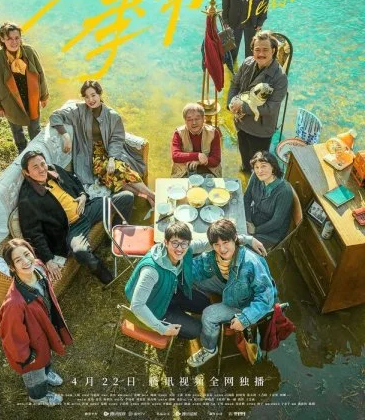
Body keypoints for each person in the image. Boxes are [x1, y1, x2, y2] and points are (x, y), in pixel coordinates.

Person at [124, 221, 267, 339]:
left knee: (204, 303)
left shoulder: (186, 249)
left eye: (184, 243)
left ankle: (178, 311)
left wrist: (248, 239)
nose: (179, 249)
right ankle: (172, 318)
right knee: (196, 330)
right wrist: (162, 329)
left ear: (189, 243)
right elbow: (137, 305)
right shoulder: (151, 271)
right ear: (165, 242)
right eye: (175, 243)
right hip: (153, 306)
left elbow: (214, 242)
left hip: (171, 292)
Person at [18, 150, 134, 285]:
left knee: (127, 197)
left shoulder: (53, 169)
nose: (42, 169)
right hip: (72, 227)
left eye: (42, 164)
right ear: (26, 172)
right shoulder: (27, 199)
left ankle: (113, 240)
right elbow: (33, 233)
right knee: (80, 252)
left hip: (87, 209)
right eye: (35, 167)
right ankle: (106, 276)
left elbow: (74, 179)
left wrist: (82, 195)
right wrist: (48, 259)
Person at [50, 80, 155, 207]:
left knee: (119, 170)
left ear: (100, 94)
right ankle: (150, 196)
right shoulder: (79, 111)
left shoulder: (112, 115)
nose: (90, 100)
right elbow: (55, 115)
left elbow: (117, 138)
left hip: (111, 151)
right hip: (90, 155)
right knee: (112, 175)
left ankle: (151, 196)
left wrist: (112, 158)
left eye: (93, 95)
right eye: (86, 97)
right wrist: (65, 135)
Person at [187, 219, 277, 367]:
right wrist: (174, 269)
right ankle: (206, 304)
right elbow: (196, 267)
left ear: (235, 238)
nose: (222, 249)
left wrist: (245, 318)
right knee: (190, 279)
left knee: (208, 315)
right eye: (217, 244)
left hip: (244, 302)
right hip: (230, 287)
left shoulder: (251, 262)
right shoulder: (213, 256)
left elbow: (266, 297)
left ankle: (209, 349)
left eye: (225, 242)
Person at [0, 239, 72, 406]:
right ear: (12, 267)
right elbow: (12, 338)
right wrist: (27, 358)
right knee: (35, 372)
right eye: (18, 260)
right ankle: (39, 397)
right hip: (30, 351)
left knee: (46, 355)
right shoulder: (14, 304)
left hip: (44, 330)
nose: (26, 261)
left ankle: (46, 372)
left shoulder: (38, 267)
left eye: (27, 254)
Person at [228, 30, 288, 172]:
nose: (261, 54)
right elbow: (235, 84)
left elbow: (270, 109)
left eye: (265, 50)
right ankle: (245, 173)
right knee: (245, 159)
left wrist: (241, 106)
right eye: (257, 49)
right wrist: (230, 103)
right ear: (252, 50)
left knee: (259, 166)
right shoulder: (247, 62)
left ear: (273, 50)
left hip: (260, 130)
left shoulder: (280, 78)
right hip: (241, 123)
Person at [0, 22, 49, 154]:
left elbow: (40, 73)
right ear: (2, 39)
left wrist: (44, 96)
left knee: (35, 126)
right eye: (9, 38)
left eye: (17, 38)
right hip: (10, 101)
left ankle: (37, 149)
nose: (14, 42)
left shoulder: (29, 52)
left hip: (31, 96)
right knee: (16, 128)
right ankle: (22, 149)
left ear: (20, 38)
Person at [244, 151, 293, 249]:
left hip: (271, 232)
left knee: (242, 246)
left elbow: (276, 222)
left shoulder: (284, 191)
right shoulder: (255, 176)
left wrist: (255, 230)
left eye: (263, 166)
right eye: (256, 167)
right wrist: (248, 220)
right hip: (254, 218)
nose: (259, 171)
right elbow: (246, 198)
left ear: (273, 167)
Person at [171, 103, 222, 178]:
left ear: (203, 119)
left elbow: (216, 159)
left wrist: (199, 162)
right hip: (184, 170)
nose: (194, 123)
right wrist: (197, 155)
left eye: (197, 119)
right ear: (185, 121)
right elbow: (175, 156)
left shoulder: (213, 132)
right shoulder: (178, 133)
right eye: (189, 119)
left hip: (208, 169)